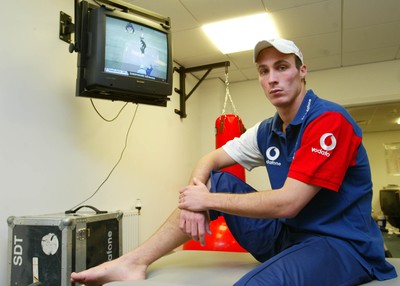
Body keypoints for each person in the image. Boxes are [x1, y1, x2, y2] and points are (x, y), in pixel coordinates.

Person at [71, 38, 397, 285]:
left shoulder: (328, 121)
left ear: (302, 71)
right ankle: (135, 261)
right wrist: (195, 199)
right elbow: (209, 158)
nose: (272, 78)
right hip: (288, 237)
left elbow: (289, 203)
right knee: (215, 179)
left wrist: (206, 200)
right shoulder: (268, 130)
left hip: (341, 245)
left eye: (282, 67)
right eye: (263, 71)